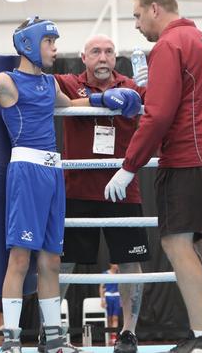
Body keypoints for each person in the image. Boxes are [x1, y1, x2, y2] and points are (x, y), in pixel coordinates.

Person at [0, 16, 142, 353]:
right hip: (26, 171)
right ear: (29, 44)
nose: (55, 48)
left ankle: (53, 338)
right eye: (49, 42)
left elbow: (69, 105)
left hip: (54, 173)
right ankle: (10, 340)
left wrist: (104, 100)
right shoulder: (8, 81)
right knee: (20, 258)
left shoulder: (49, 84)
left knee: (51, 260)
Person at [103, 0, 202, 352]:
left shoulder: (169, 44)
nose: (136, 24)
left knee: (176, 243)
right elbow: (191, 100)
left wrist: (130, 166)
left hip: (188, 159)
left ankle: (200, 337)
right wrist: (150, 87)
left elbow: (160, 115)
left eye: (136, 16)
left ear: (154, 8)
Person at [45, 34, 149, 353]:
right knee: (63, 263)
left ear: (115, 57)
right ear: (83, 57)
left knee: (130, 263)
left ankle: (128, 333)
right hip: (77, 190)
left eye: (108, 52)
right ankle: (51, 332)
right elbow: (40, 91)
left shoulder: (131, 86)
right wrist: (97, 101)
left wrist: (148, 87)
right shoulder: (67, 82)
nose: (102, 57)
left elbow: (160, 110)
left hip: (123, 189)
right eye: (96, 52)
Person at [100, 264, 122, 345]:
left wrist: (122, 299)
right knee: (109, 318)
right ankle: (110, 336)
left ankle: (114, 337)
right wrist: (102, 300)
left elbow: (122, 287)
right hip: (108, 296)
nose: (117, 265)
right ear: (111, 264)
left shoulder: (119, 274)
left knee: (115, 318)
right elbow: (101, 287)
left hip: (117, 296)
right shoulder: (105, 274)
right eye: (115, 264)